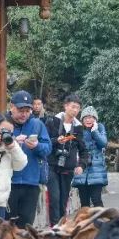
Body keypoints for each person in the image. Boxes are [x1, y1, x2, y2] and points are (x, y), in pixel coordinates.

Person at [5, 90, 51, 226]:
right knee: (7, 225)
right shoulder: (2, 122)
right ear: (11, 106)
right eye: (20, 110)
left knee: (26, 225)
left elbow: (48, 149)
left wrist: (36, 146)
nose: (24, 114)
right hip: (8, 182)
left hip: (31, 182)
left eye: (27, 110)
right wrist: (12, 142)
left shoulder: (37, 124)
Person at [44, 94, 90, 224]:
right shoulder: (52, 121)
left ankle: (60, 229)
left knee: (63, 200)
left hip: (68, 168)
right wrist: (55, 140)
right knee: (54, 198)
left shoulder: (78, 127)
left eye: (78, 108)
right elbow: (44, 141)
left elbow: (83, 150)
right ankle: (55, 229)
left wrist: (82, 165)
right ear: (65, 106)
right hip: (52, 165)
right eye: (73, 107)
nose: (75, 110)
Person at [74, 106, 108, 207]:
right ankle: (87, 223)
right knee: (84, 203)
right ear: (82, 119)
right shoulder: (77, 129)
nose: (89, 120)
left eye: (91, 117)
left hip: (96, 169)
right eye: (86, 117)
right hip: (82, 168)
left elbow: (103, 143)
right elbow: (67, 138)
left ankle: (102, 222)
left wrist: (94, 131)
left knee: (96, 199)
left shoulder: (100, 127)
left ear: (95, 119)